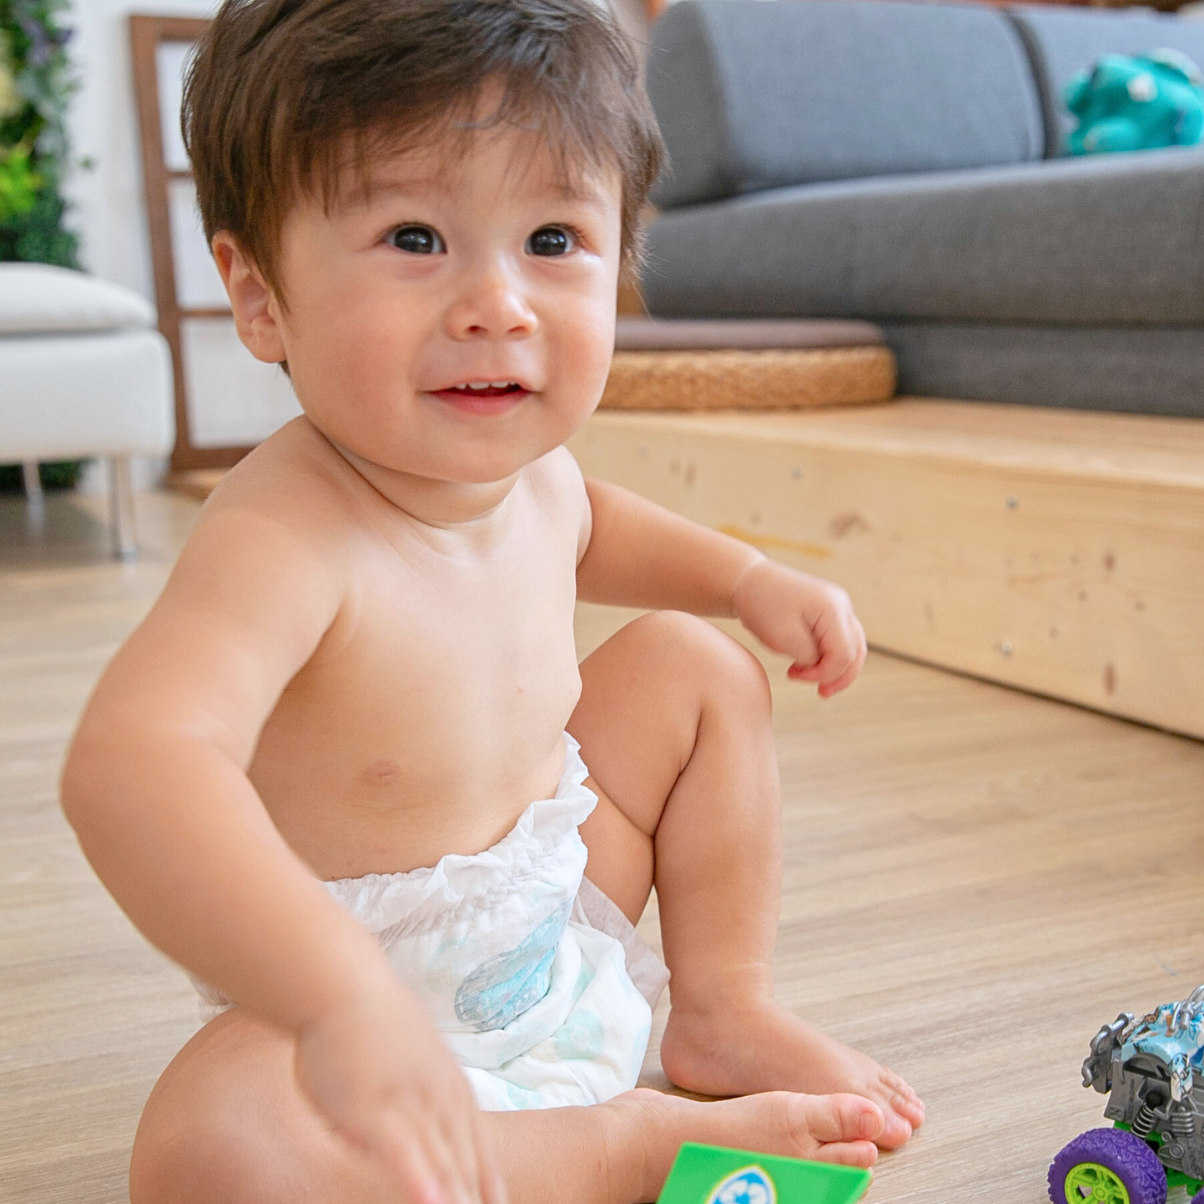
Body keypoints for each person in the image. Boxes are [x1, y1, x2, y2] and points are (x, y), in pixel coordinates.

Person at [61, 0, 924, 1199]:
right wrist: (329, 995)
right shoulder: (285, 534)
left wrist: (744, 579)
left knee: (695, 666)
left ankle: (724, 1008)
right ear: (260, 297)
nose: (497, 304)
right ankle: (618, 1145)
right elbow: (131, 762)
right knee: (211, 1144)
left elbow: (593, 526)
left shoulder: (534, 472)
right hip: (361, 1035)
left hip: (547, 925)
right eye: (415, 237)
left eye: (552, 239)